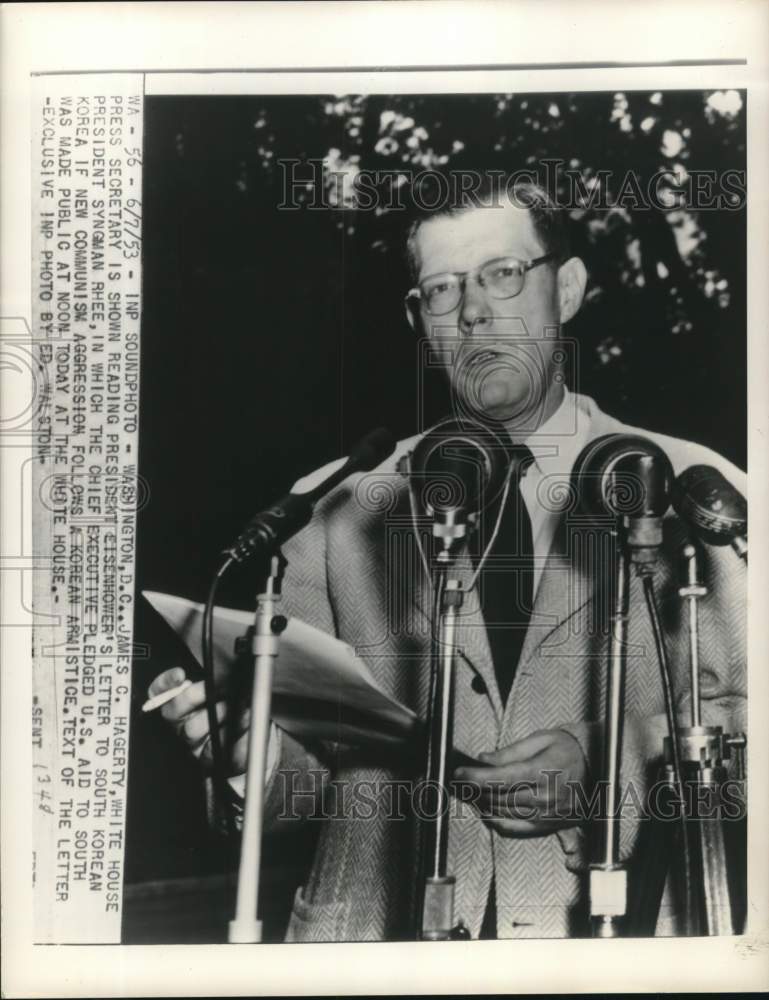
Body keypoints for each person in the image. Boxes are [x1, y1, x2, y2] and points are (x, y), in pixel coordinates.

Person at [148, 177, 746, 941]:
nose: (472, 311)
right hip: (374, 946)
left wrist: (612, 766)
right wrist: (247, 752)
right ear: (417, 319)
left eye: (502, 274)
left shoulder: (695, 489)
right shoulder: (335, 504)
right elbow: (308, 775)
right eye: (441, 288)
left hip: (612, 945)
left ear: (565, 289)